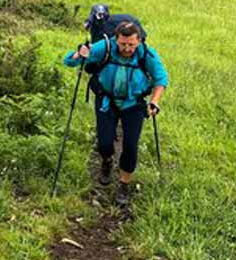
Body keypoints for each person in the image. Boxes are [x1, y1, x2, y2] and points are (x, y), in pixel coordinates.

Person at [64, 20, 168, 206]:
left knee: (130, 145)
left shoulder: (146, 54)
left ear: (139, 41)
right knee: (104, 143)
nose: (127, 48)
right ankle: (107, 160)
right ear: (115, 39)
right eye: (123, 44)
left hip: (133, 104)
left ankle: (124, 185)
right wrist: (79, 54)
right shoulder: (104, 47)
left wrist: (154, 101)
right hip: (106, 101)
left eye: (131, 45)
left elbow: (161, 78)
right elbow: (70, 61)